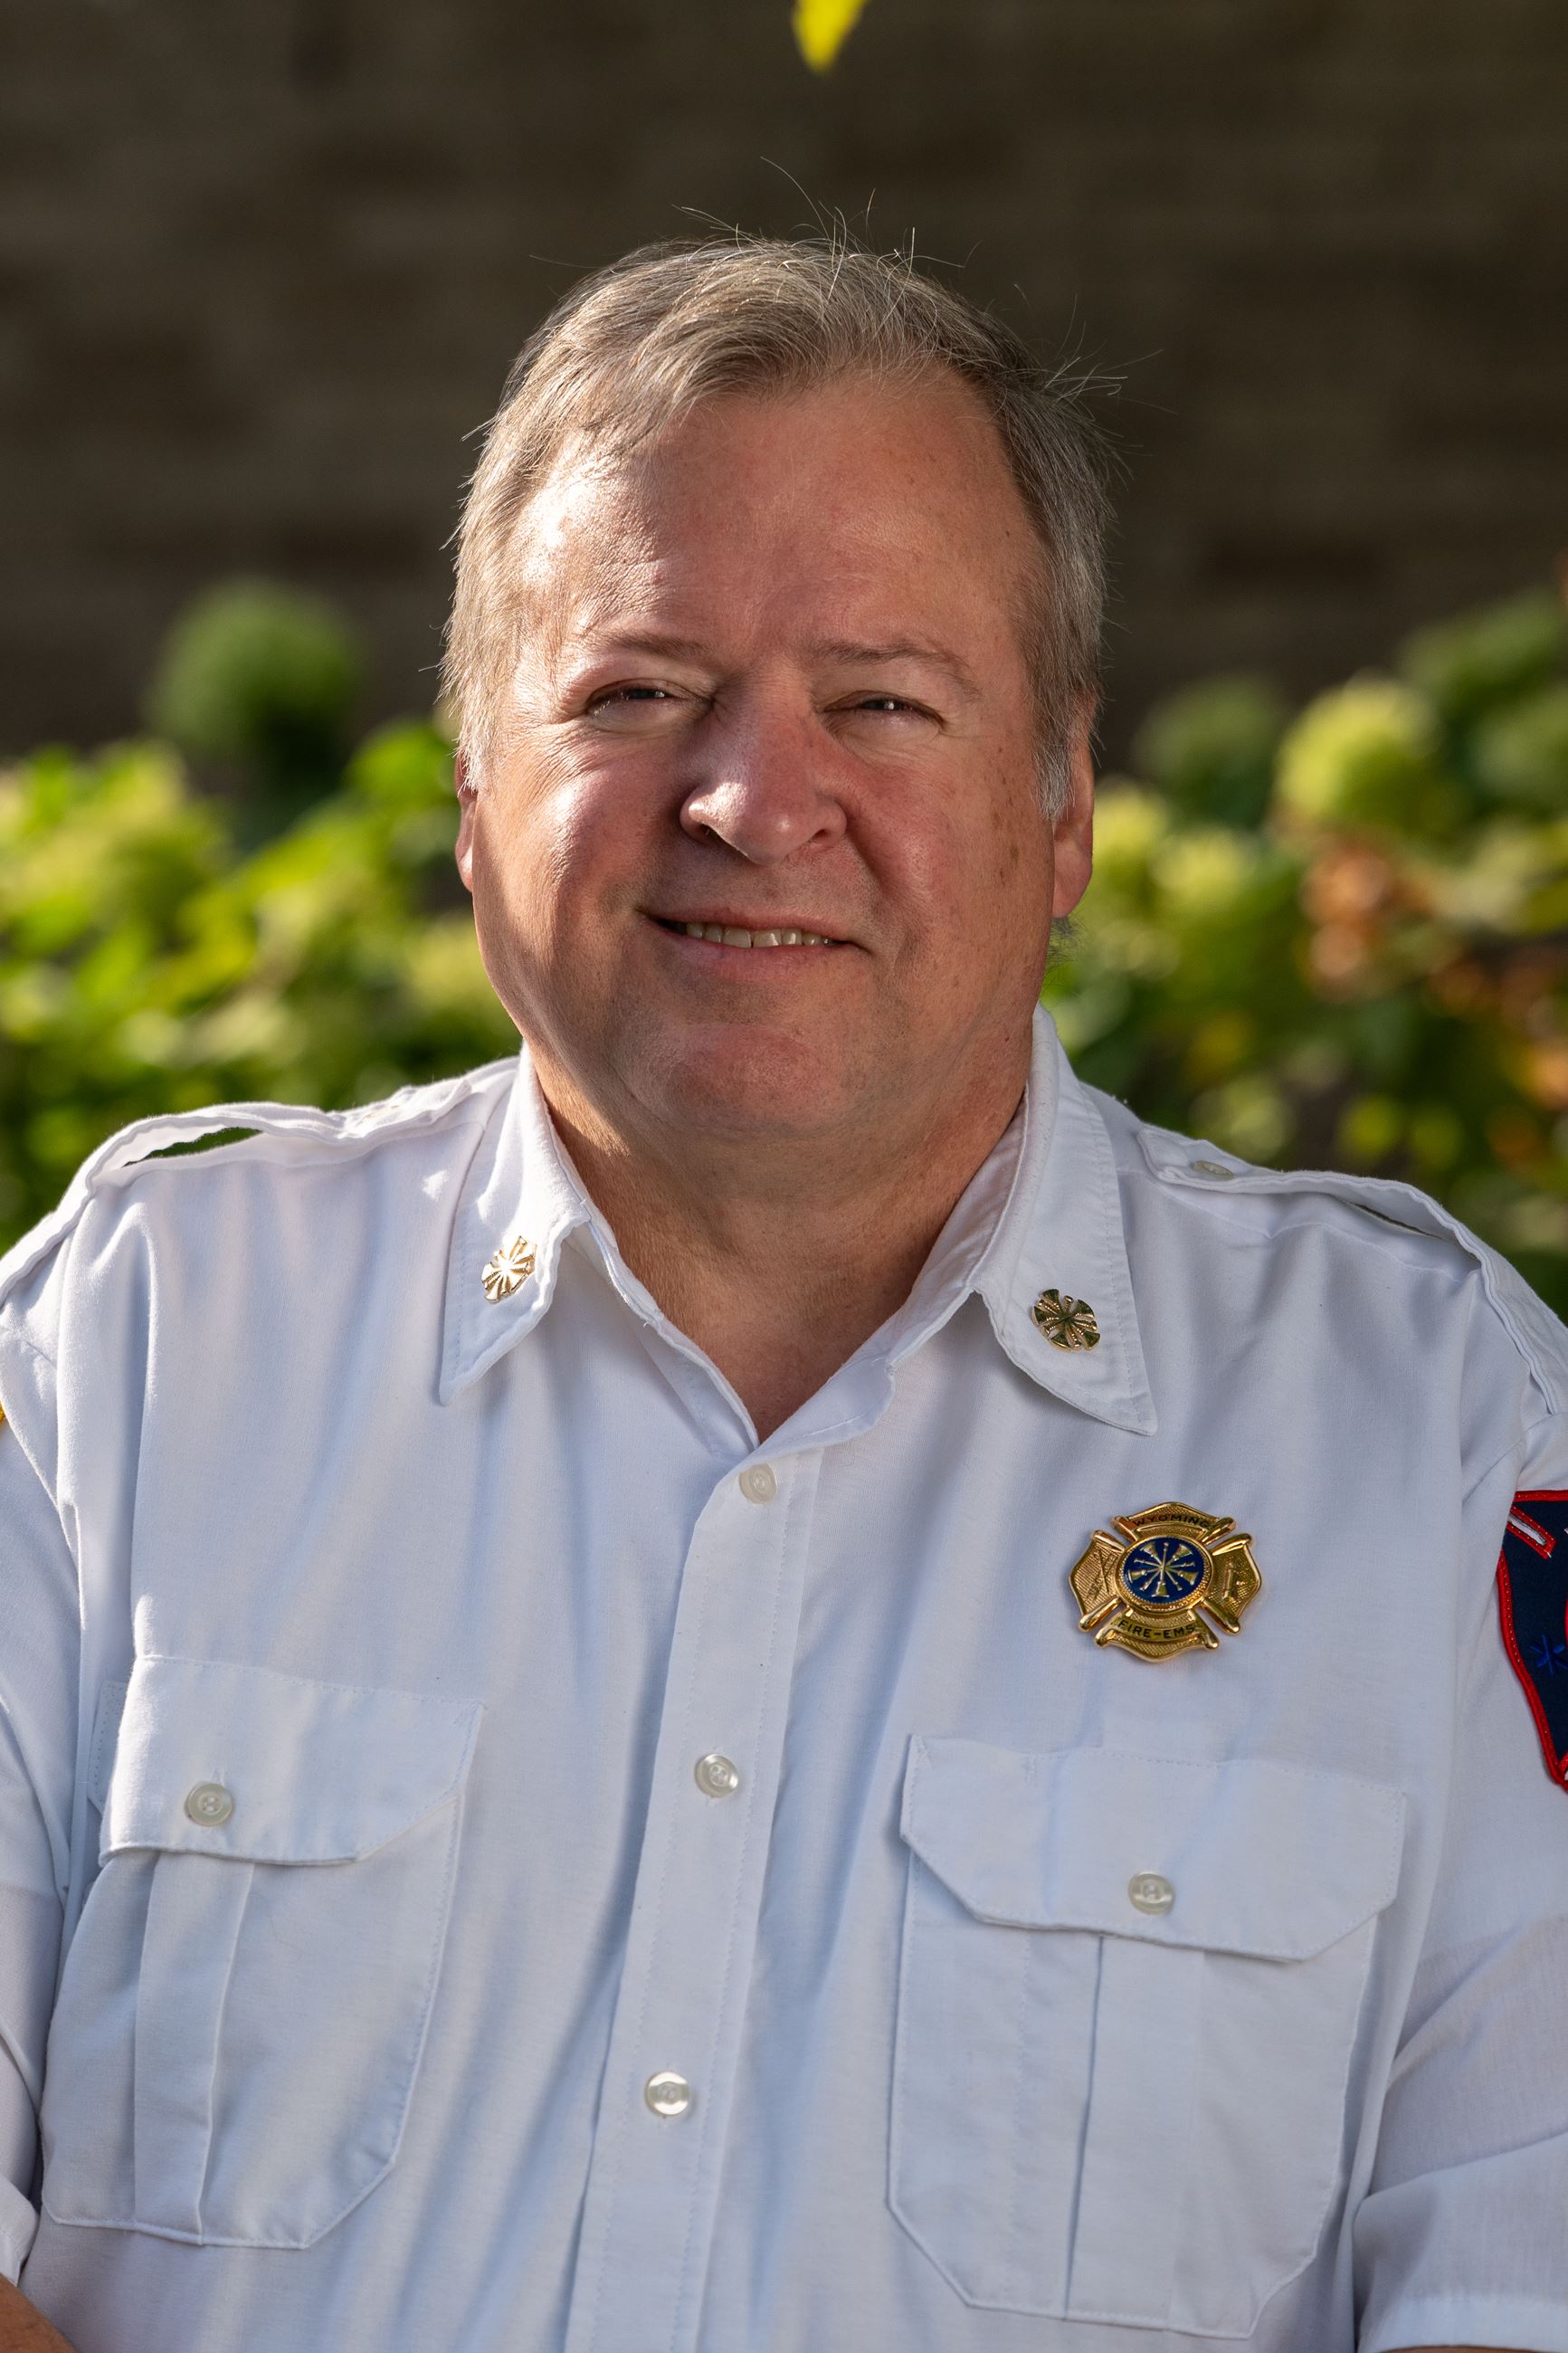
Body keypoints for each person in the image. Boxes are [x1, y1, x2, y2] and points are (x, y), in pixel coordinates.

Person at [0, 237, 1563, 2353]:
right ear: (473, 789)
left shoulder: (1434, 1428)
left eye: (882, 701)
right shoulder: (141, 1348)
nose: (753, 799)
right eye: (636, 692)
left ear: (1065, 798)